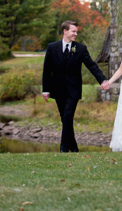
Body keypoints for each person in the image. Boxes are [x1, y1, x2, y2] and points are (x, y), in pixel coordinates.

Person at [42, 20, 110, 153]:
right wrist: (45, 89)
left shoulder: (81, 48)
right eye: (73, 31)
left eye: (76, 32)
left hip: (73, 90)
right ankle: (73, 147)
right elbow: (46, 70)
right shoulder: (52, 47)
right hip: (58, 89)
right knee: (65, 118)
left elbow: (91, 65)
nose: (75, 34)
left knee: (67, 116)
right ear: (65, 31)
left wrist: (102, 80)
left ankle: (63, 148)